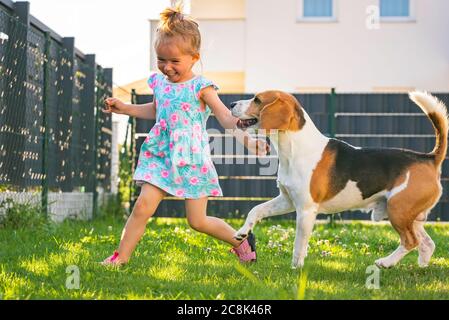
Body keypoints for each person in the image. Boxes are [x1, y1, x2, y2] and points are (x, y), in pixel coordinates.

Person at [101, 5, 269, 266]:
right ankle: (119, 258)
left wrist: (248, 140)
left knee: (197, 221)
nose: (166, 67)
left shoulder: (201, 87)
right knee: (142, 207)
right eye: (161, 60)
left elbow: (225, 117)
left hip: (191, 158)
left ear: (194, 57)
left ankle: (241, 241)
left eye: (174, 61)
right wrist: (124, 108)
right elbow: (156, 110)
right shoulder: (159, 83)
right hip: (161, 154)